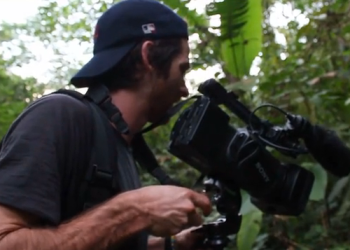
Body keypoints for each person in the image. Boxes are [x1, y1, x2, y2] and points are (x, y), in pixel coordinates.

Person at [0, 0, 214, 250]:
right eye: (182, 69)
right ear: (148, 56)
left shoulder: (120, 145)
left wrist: (170, 244)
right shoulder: (59, 116)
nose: (183, 89)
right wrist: (134, 212)